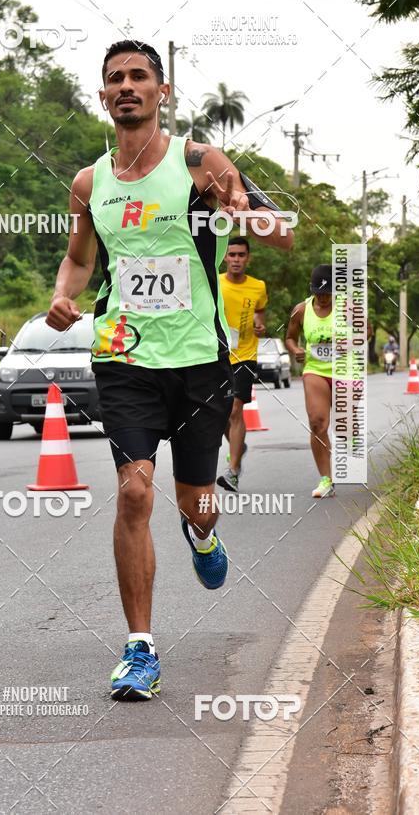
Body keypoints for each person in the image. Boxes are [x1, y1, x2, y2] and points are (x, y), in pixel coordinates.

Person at [47, 39, 293, 701]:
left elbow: (284, 232)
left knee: (198, 505)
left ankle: (203, 536)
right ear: (102, 96)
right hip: (123, 354)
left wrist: (245, 207)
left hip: (199, 361)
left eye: (139, 77)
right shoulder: (88, 183)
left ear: (162, 93)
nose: (126, 86)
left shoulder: (198, 162)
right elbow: (79, 257)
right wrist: (64, 294)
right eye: (114, 79)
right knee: (133, 490)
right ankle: (140, 648)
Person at [217, 237, 267, 492]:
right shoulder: (215, 282)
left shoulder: (258, 286)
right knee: (220, 412)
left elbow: (260, 311)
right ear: (225, 257)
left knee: (236, 409)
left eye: (241, 255)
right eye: (232, 255)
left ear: (248, 258)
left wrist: (259, 323)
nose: (236, 260)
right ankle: (239, 445)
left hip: (245, 356)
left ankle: (233, 471)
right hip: (217, 355)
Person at [285, 264, 337, 498]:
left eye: (328, 293)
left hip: (344, 371)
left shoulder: (347, 308)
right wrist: (295, 349)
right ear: (312, 290)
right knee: (317, 423)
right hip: (315, 370)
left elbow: (366, 331)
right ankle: (326, 479)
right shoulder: (301, 310)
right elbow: (290, 338)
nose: (323, 298)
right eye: (319, 293)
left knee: (348, 427)